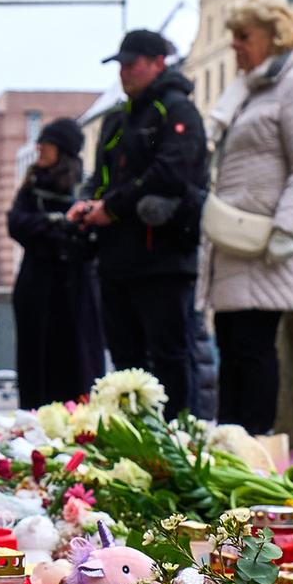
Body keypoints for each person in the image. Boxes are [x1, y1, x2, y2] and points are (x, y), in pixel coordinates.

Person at [204, 0, 293, 434]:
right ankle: (231, 443)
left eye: (244, 37)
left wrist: (286, 229)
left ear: (274, 38)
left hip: (267, 244)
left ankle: (254, 448)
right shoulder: (253, 90)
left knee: (252, 347)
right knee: (233, 344)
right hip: (237, 241)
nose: (235, 47)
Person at [67, 29, 207, 420]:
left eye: (133, 64)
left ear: (158, 63)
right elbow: (103, 176)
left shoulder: (176, 110)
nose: (125, 73)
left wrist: (111, 207)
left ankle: (178, 433)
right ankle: (134, 435)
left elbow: (173, 173)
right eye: (122, 66)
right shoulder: (117, 119)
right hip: (117, 257)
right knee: (127, 358)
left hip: (163, 255)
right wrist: (89, 202)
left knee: (169, 355)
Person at [8, 117, 106, 407]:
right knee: (36, 360)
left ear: (61, 149)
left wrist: (56, 228)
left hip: (73, 285)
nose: (39, 149)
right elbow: (17, 223)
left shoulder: (81, 187)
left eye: (46, 144)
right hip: (36, 285)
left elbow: (87, 232)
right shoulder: (32, 187)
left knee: (75, 358)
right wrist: (58, 224)